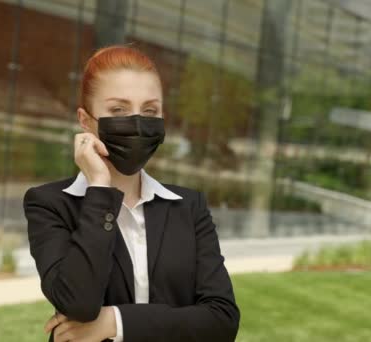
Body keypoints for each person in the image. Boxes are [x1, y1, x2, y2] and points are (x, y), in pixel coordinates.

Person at [23, 44, 240, 342]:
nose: (137, 123)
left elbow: (221, 320)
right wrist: (99, 187)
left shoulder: (189, 207)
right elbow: (78, 303)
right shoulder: (50, 204)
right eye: (118, 110)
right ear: (86, 121)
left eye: (150, 110)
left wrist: (114, 322)